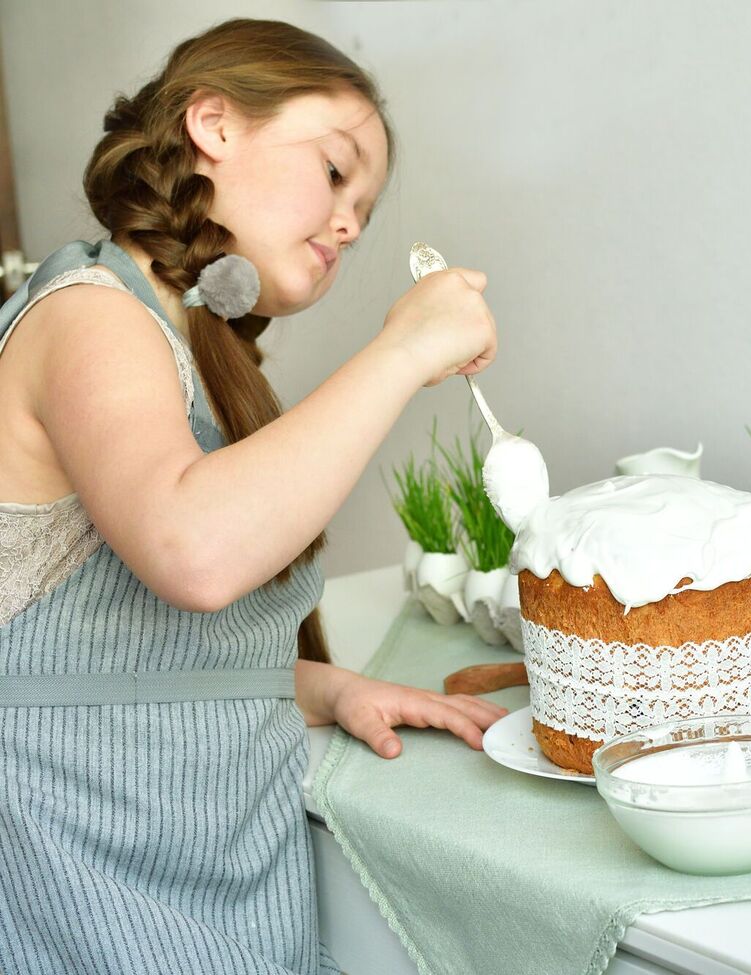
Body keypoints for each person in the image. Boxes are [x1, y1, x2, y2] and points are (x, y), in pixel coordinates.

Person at [0, 17, 507, 974]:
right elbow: (192, 552)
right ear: (215, 125)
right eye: (336, 170)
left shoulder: (185, 350)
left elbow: (137, 658)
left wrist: (324, 685)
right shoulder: (88, 317)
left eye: (365, 202)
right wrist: (400, 352)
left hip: (221, 871)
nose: (353, 220)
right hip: (80, 882)